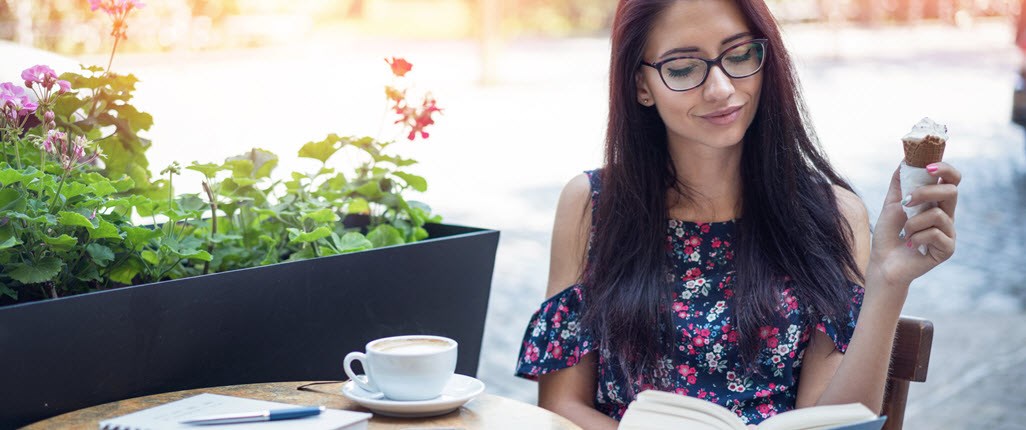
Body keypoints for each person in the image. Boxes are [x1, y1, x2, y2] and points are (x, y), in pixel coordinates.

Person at [513, 1, 961, 428]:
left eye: (740, 54)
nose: (722, 89)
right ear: (641, 86)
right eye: (684, 68)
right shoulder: (593, 205)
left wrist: (888, 280)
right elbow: (560, 406)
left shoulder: (833, 215)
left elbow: (835, 420)